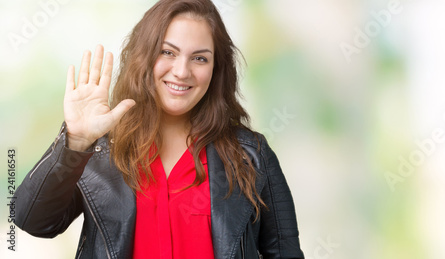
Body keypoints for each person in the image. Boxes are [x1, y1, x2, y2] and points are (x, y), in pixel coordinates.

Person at [13, 0, 304, 258]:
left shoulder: (251, 154)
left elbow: (285, 252)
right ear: (144, 56)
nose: (181, 71)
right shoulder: (99, 149)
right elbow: (32, 220)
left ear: (217, 69)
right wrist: (75, 142)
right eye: (168, 52)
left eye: (200, 58)